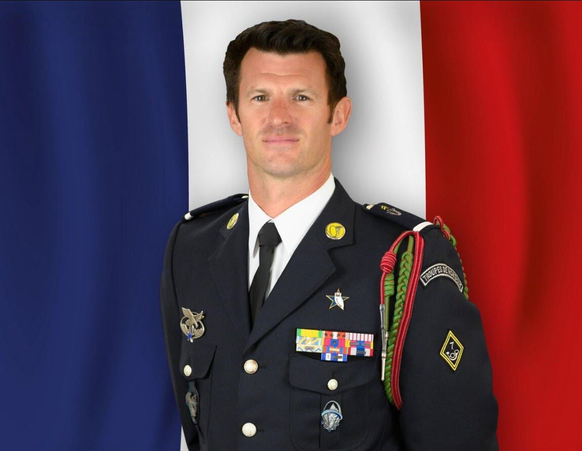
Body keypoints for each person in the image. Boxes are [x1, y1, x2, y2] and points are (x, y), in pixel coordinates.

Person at [160, 19, 498, 451]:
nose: (279, 117)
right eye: (260, 97)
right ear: (234, 115)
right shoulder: (192, 248)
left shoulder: (404, 259)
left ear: (338, 114)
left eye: (301, 97)